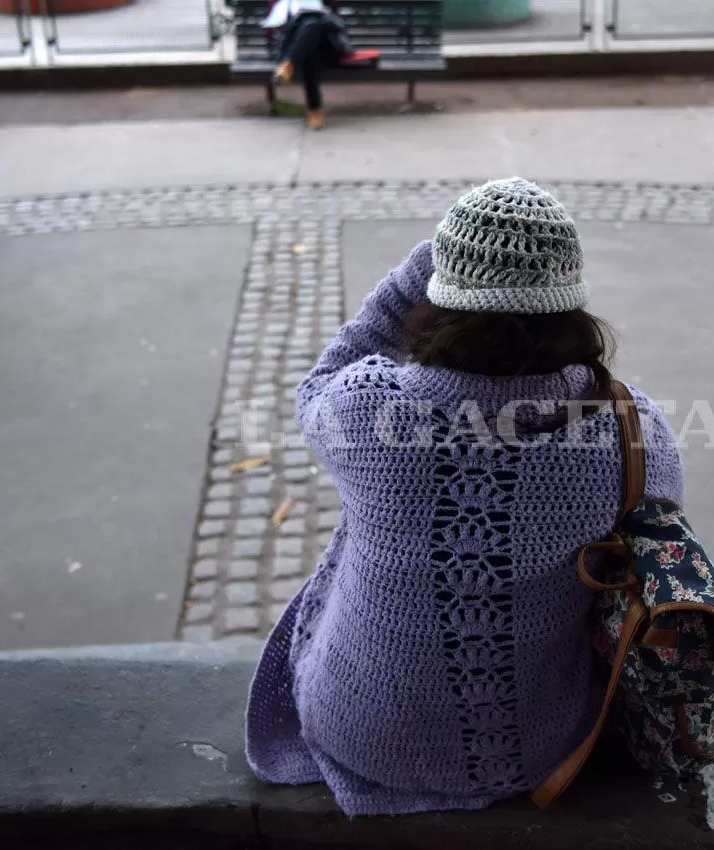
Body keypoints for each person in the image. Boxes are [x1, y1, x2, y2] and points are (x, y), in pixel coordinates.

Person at [244, 178, 685, 815]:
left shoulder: (370, 411)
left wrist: (413, 274)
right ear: (571, 303)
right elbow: (661, 527)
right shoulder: (632, 432)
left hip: (362, 731)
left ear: (442, 299)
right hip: (535, 744)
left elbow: (318, 383)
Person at [265, 0, 351, 131]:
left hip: (326, 45)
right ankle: (314, 108)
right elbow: (273, 28)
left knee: (312, 24)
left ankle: (289, 66)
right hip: (295, 44)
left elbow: (333, 17)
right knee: (307, 49)